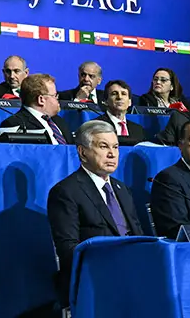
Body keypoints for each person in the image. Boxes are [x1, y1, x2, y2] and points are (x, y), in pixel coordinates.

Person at [48, 120, 143, 305]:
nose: (112, 154)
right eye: (103, 146)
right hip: (93, 281)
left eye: (115, 147)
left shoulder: (122, 189)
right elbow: (68, 250)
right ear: (82, 152)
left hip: (131, 274)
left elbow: (137, 234)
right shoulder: (66, 191)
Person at [0, 73, 73, 144]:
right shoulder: (15, 124)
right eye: (54, 95)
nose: (57, 99)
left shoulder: (59, 121)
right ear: (41, 100)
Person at [97, 80, 145, 144]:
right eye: (114, 94)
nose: (119, 97)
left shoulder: (138, 129)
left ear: (130, 102)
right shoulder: (97, 126)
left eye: (123, 94)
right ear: (106, 101)